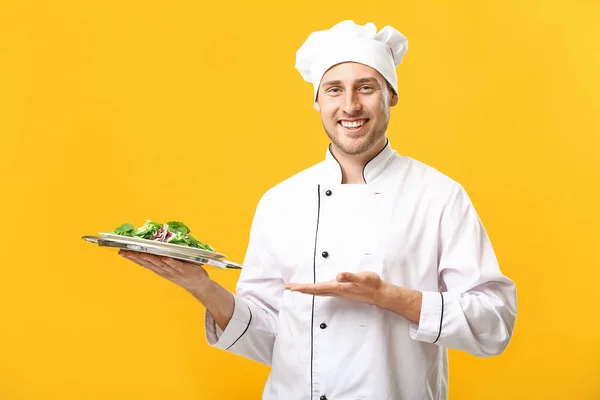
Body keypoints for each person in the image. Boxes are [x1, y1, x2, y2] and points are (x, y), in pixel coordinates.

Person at [119, 20, 517, 400]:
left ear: (391, 95)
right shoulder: (281, 201)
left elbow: (495, 323)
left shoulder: (438, 196)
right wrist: (200, 286)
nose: (350, 105)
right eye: (334, 90)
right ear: (316, 100)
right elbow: (271, 337)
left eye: (366, 88)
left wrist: (387, 296)